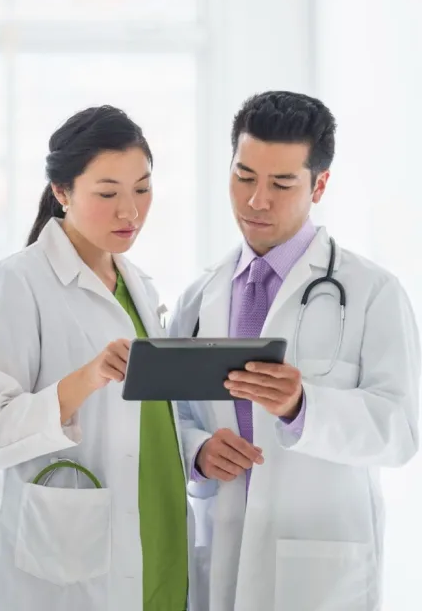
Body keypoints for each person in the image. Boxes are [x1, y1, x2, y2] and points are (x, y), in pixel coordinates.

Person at [169, 91, 421, 610]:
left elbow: (400, 430)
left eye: (282, 183)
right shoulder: (201, 295)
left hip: (320, 569)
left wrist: (302, 407)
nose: (257, 200)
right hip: (222, 550)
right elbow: (173, 414)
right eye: (244, 177)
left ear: (319, 184)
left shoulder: (373, 292)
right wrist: (196, 450)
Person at [0, 105, 193, 610]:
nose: (130, 211)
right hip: (73, 567)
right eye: (107, 193)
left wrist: (196, 447)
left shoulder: (140, 286)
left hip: (160, 539)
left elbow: (151, 423)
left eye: (143, 188)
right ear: (62, 193)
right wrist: (84, 380)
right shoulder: (16, 283)